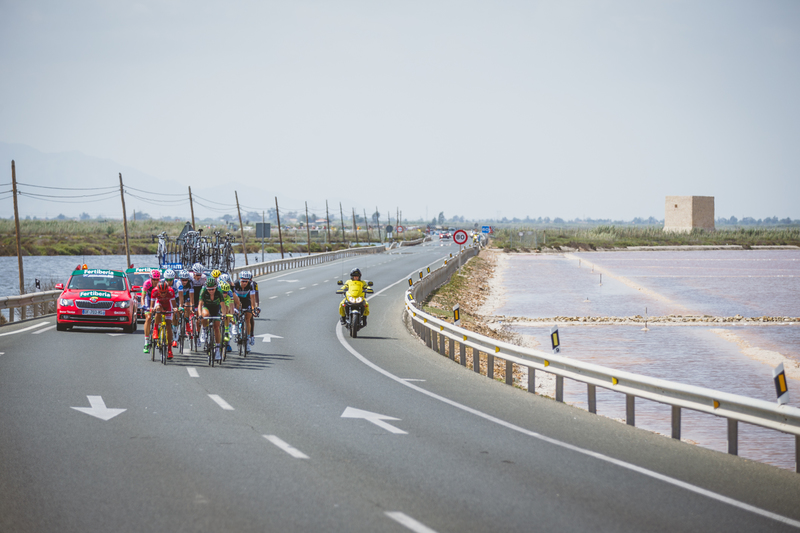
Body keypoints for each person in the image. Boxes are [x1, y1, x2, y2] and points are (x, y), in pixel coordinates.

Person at [197, 277, 224, 361]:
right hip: (207, 308)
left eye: (212, 289)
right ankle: (204, 330)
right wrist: (200, 315)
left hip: (216, 309)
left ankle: (217, 350)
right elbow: (200, 305)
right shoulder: (203, 291)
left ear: (215, 287)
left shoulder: (219, 291)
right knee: (205, 315)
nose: (211, 291)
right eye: (209, 290)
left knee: (216, 327)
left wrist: (223, 314)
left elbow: (222, 305)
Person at [150, 280, 177, 358]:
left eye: (164, 292)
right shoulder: (154, 291)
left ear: (167, 290)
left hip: (168, 305)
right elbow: (152, 305)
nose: (163, 294)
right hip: (159, 304)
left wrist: (175, 309)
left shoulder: (171, 291)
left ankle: (169, 349)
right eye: (161, 292)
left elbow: (174, 304)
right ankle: (155, 328)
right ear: (158, 290)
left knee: (168, 325)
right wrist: (152, 309)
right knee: (158, 309)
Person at [232, 270, 260, 346]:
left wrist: (254, 309)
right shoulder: (235, 284)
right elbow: (233, 298)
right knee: (235, 312)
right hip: (237, 299)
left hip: (246, 299)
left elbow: (253, 298)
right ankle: (235, 326)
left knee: (248, 317)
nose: (244, 283)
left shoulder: (252, 284)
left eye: (246, 281)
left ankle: (248, 338)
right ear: (239, 279)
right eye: (243, 281)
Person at [142, 269, 161, 354]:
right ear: (150, 278)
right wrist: (143, 306)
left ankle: (159, 335)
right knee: (148, 318)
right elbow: (143, 297)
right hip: (148, 299)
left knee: (159, 314)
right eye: (154, 279)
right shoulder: (147, 283)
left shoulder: (161, 283)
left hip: (157, 298)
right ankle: (146, 341)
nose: (155, 281)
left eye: (157, 279)